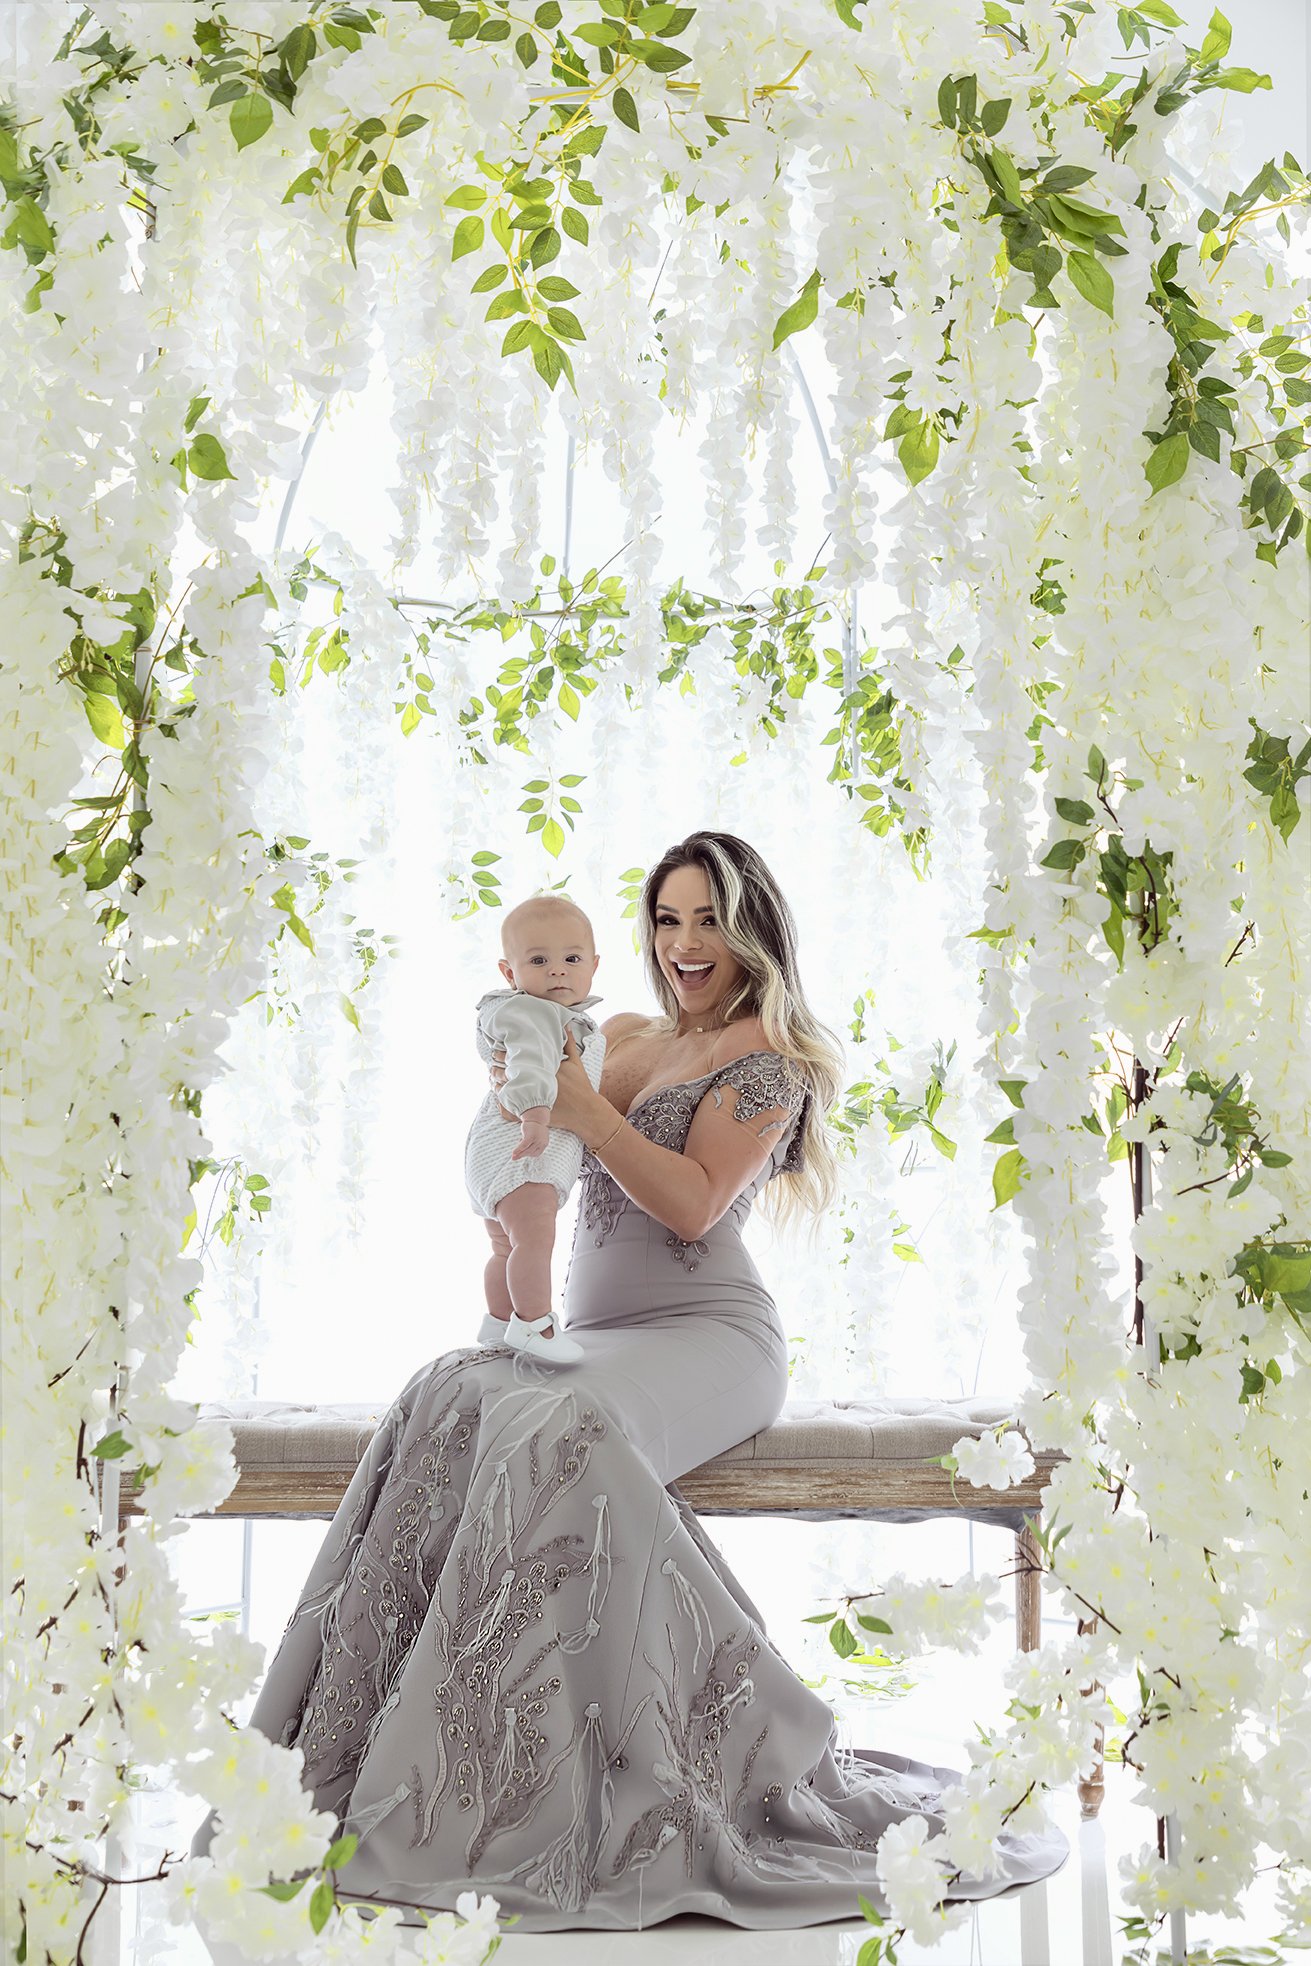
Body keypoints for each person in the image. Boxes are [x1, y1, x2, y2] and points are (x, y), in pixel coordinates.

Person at [189, 831, 1068, 1932]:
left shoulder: (770, 1056)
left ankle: (594, 1781)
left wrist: (584, 1107)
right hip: (598, 1331)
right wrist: (516, 1099)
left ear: (750, 931)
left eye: (708, 920)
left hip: (710, 1334)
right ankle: (390, 1761)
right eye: (667, 919)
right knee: (457, 1386)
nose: (685, 942)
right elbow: (539, 1136)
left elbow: (696, 1203)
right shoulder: (627, 1034)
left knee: (562, 1422)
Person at [464, 891, 607, 1364]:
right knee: (535, 1237)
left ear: (593, 965)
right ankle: (534, 1324)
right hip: (522, 1142)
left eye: (571, 958)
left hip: (495, 1150)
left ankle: (500, 1322)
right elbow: (526, 1064)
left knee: (505, 1245)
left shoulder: (556, 1015)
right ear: (510, 972)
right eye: (539, 960)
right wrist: (536, 1115)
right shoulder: (533, 1012)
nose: (558, 971)